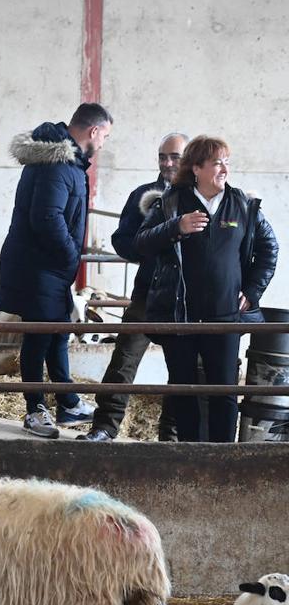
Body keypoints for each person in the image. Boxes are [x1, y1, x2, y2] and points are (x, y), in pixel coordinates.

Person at [134, 135, 278, 442]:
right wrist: (176, 227)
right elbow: (141, 242)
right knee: (183, 390)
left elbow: (270, 250)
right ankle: (189, 457)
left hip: (225, 318)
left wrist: (252, 292)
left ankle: (223, 458)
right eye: (216, 163)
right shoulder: (172, 203)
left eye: (227, 162)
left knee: (224, 391)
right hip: (180, 315)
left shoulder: (243, 205)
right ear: (196, 168)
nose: (224, 169)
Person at [0, 103, 112, 438]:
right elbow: (47, 217)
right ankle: (34, 410)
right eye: (104, 135)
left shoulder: (64, 161)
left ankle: (68, 402)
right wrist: (68, 255)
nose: (103, 143)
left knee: (58, 330)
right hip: (41, 267)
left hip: (48, 266)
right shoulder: (58, 165)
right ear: (93, 131)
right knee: (38, 336)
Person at [78, 133, 187, 442]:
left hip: (185, 298)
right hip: (148, 292)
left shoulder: (200, 196)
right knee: (124, 360)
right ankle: (104, 427)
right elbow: (121, 240)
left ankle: (171, 438)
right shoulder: (145, 195)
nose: (167, 163)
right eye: (162, 156)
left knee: (181, 368)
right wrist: (148, 247)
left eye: (174, 157)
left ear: (188, 158)